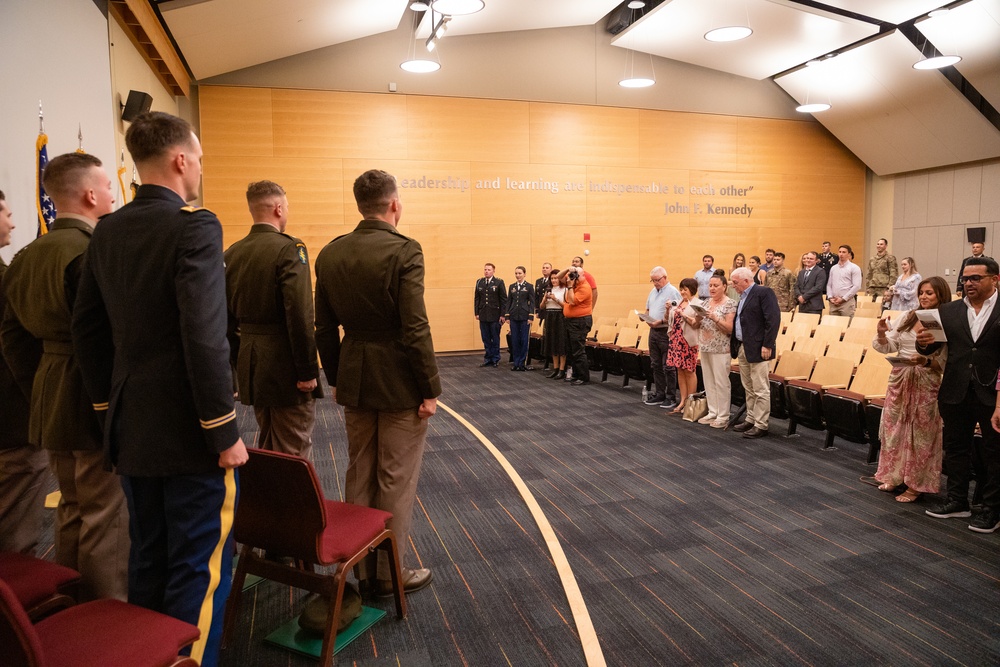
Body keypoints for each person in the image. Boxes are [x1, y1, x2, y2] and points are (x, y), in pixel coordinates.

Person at [72, 112, 248, 667]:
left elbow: (89, 332)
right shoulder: (195, 225)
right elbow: (204, 334)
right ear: (179, 160)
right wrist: (223, 429)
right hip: (192, 428)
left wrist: (108, 411)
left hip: (132, 427)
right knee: (199, 566)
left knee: (149, 557)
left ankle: (144, 657)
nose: (198, 168)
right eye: (196, 159)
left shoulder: (108, 230)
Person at [3, 153, 129, 601]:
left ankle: (72, 600)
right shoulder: (93, 251)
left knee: (73, 505)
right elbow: (112, 336)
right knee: (105, 512)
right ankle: (107, 615)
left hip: (48, 391)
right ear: (91, 194)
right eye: (108, 187)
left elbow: (12, 338)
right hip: (92, 393)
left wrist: (37, 386)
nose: (113, 194)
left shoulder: (25, 256)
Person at [314, 168, 439, 595]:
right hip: (401, 381)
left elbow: (323, 329)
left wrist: (336, 377)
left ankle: (359, 566)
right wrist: (430, 388)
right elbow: (415, 327)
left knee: (359, 472)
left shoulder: (330, 254)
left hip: (354, 376)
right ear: (394, 205)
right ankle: (388, 575)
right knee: (395, 479)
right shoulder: (404, 251)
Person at [224, 180, 321, 458]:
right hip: (285, 365)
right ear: (278, 208)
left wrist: (237, 367)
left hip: (252, 364)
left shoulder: (232, 253)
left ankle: (273, 501)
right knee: (294, 448)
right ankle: (293, 503)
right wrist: (306, 371)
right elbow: (300, 315)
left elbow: (226, 320)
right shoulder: (290, 248)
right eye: (287, 206)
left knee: (269, 442)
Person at [919, 258, 1000, 533]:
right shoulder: (949, 310)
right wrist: (923, 343)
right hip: (955, 390)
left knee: (994, 453)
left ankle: (991, 510)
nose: (969, 283)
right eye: (965, 279)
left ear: (995, 279)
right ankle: (957, 500)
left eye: (976, 278)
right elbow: (932, 348)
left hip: (992, 393)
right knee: (956, 448)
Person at [872, 277, 950, 503]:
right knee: (895, 429)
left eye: (930, 293)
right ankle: (894, 475)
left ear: (941, 296)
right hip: (900, 377)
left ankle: (916, 484)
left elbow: (945, 363)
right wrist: (880, 333)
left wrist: (924, 362)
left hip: (927, 379)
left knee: (921, 433)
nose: (924, 297)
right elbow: (891, 344)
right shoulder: (908, 316)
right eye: (922, 293)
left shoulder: (945, 321)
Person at [0, 189, 46, 555]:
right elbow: (18, 345)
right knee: (16, 532)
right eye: (6, 212)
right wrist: (39, 396)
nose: (13, 221)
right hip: (11, 421)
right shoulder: (7, 279)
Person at [730, 267, 780, 439]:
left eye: (735, 282)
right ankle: (751, 418)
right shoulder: (742, 297)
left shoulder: (763, 292)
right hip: (743, 346)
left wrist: (768, 345)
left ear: (746, 280)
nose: (733, 286)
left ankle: (761, 424)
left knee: (760, 388)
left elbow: (772, 320)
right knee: (748, 387)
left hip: (760, 348)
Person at [689, 270, 736, 428]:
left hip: (721, 348)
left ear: (724, 286)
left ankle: (723, 415)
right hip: (705, 346)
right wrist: (698, 316)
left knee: (721, 382)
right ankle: (713, 411)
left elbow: (729, 328)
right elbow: (695, 325)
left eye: (716, 285)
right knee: (709, 381)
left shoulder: (730, 303)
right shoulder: (705, 302)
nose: (712, 288)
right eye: (710, 285)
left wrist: (715, 318)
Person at [642, 266, 680, 408]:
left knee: (668, 366)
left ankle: (670, 397)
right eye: (652, 281)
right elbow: (647, 308)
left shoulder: (673, 292)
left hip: (666, 332)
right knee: (655, 364)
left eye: (657, 280)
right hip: (653, 332)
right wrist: (645, 317)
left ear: (664, 277)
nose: (655, 283)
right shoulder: (653, 291)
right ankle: (659, 394)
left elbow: (677, 314)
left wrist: (662, 322)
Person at [666, 278, 701, 415]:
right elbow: (669, 319)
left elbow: (696, 323)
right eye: (681, 289)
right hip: (676, 340)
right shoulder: (679, 302)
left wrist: (683, 315)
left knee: (689, 371)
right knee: (679, 370)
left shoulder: (697, 304)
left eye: (685, 289)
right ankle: (683, 400)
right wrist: (668, 309)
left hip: (688, 341)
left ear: (692, 289)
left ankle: (690, 402)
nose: (682, 292)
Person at [556, 265, 593, 386]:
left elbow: (572, 301)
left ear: (583, 276)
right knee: (571, 350)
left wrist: (570, 286)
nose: (573, 276)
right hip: (571, 321)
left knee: (578, 350)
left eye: (577, 274)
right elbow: (558, 276)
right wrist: (568, 269)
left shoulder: (585, 288)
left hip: (580, 321)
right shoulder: (574, 283)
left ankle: (584, 377)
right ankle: (576, 374)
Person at [474, 263, 506, 367]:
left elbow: (503, 300)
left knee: (495, 337)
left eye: (489, 270)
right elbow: (477, 298)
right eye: (485, 269)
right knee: (486, 338)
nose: (486, 271)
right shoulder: (479, 282)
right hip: (483, 314)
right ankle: (488, 358)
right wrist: (477, 312)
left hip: (495, 315)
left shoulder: (499, 282)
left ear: (493, 271)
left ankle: (495, 358)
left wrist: (503, 315)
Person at [505, 266, 535, 371]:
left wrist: (531, 316)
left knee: (524, 339)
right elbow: (509, 301)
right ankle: (516, 362)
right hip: (514, 316)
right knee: (515, 340)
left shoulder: (529, 286)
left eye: (520, 273)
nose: (518, 275)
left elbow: (532, 302)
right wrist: (507, 315)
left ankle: (522, 362)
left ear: (524, 274)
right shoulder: (512, 286)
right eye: (516, 273)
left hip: (524, 316)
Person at [540, 269, 567, 379]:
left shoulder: (564, 289)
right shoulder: (548, 290)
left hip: (560, 316)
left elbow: (566, 306)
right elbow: (542, 306)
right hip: (550, 316)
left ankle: (562, 369)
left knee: (561, 343)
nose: (554, 280)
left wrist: (555, 299)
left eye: (556, 278)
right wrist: (545, 299)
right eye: (552, 278)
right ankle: (555, 368)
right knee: (553, 343)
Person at [826, 244, 863, 317]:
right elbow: (829, 285)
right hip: (834, 302)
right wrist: (830, 297)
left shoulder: (854, 268)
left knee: (846, 325)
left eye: (844, 252)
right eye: (840, 252)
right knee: (833, 326)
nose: (841, 254)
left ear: (849, 254)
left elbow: (856, 286)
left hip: (847, 303)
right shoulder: (833, 268)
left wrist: (843, 299)